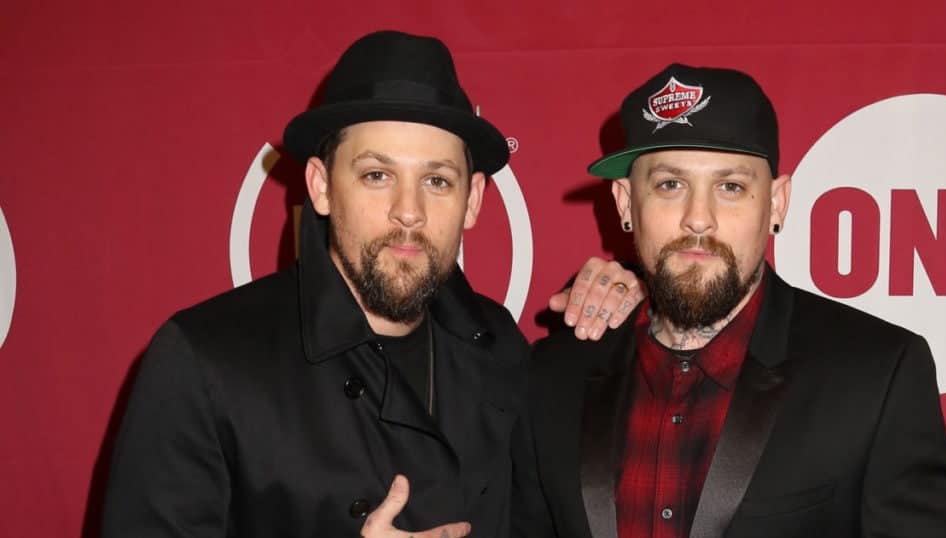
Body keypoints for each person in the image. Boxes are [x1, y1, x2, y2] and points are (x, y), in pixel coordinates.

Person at [100, 31, 642, 538]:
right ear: (320, 186)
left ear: (472, 200)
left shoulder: (501, 349)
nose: (408, 212)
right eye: (377, 175)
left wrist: (638, 311)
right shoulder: (204, 359)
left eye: (436, 180)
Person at [516, 63, 946, 537]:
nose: (699, 218)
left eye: (731, 187)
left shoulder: (876, 374)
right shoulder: (553, 376)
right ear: (624, 203)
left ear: (776, 203)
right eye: (670, 185)